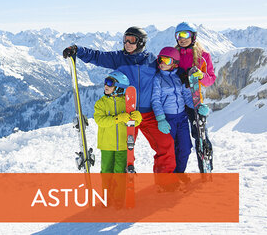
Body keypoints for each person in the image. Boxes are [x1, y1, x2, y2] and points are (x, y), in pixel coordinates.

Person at [63, 26, 176, 173]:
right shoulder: (119, 58)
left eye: (132, 40)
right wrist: (78, 50)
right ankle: (123, 183)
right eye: (125, 40)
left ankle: (165, 182)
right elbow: (98, 56)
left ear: (141, 42)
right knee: (125, 151)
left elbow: (169, 72)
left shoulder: (152, 61)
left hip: (149, 113)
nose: (127, 44)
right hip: (126, 113)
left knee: (166, 145)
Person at [151, 47, 209, 173]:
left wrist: (198, 107)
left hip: (182, 118)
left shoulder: (179, 77)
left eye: (166, 60)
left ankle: (178, 175)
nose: (161, 63)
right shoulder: (157, 79)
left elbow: (188, 97)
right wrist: (161, 119)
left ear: (174, 63)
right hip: (167, 119)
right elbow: (155, 100)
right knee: (167, 151)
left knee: (185, 149)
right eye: (160, 59)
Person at [174, 22, 216, 172]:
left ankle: (206, 168)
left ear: (193, 36)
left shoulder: (203, 56)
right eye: (179, 35)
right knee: (177, 138)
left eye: (185, 34)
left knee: (200, 135)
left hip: (194, 102)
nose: (182, 38)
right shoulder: (174, 54)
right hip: (177, 101)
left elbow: (210, 79)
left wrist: (201, 76)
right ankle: (176, 172)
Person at [94, 71, 142, 173]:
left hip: (123, 145)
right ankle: (107, 189)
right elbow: (100, 121)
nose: (106, 85)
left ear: (120, 87)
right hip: (106, 145)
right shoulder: (101, 103)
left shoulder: (127, 102)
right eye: (105, 82)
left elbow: (133, 123)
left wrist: (137, 118)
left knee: (120, 170)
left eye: (110, 83)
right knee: (106, 170)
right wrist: (118, 118)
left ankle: (119, 189)